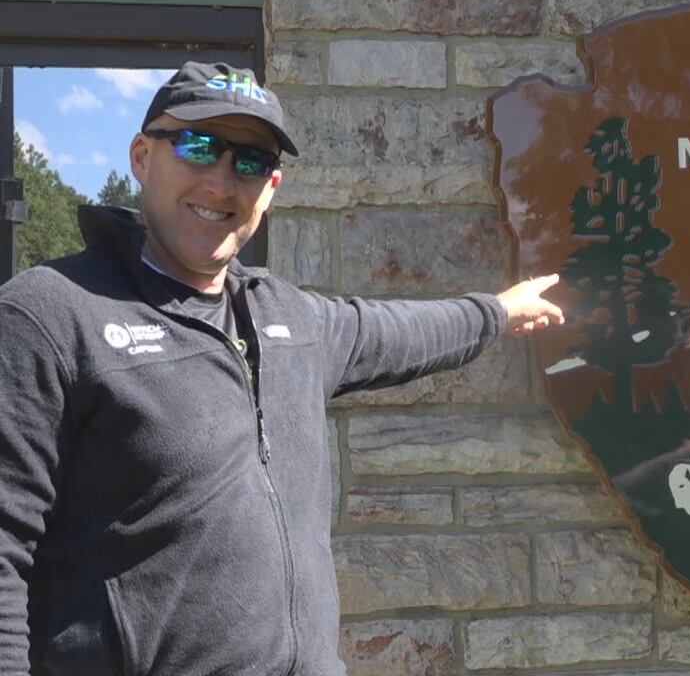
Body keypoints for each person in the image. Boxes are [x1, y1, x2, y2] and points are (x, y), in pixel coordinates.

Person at [0, 62, 564, 675]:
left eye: (248, 162)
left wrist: (500, 312)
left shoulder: (288, 320)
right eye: (197, 146)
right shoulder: (51, 316)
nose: (221, 183)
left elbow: (402, 332)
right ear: (142, 156)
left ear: (271, 188)